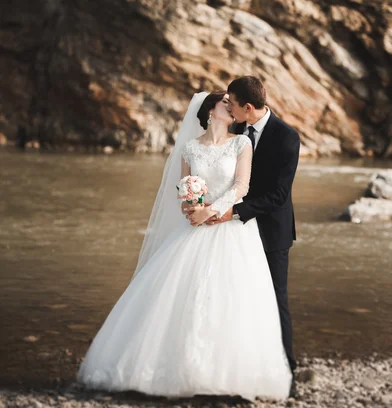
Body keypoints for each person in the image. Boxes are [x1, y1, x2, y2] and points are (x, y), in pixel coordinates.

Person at [77, 91, 292, 400]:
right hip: (194, 227)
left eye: (232, 103)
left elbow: (241, 186)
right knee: (177, 294)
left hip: (230, 227)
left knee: (231, 297)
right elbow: (185, 188)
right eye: (225, 103)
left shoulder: (241, 143)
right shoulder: (190, 148)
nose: (231, 107)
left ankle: (224, 375)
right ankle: (166, 369)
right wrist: (191, 208)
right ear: (209, 111)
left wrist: (213, 211)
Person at [200, 77, 300, 397]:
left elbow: (279, 196)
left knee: (275, 298)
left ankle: (288, 369)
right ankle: (237, 363)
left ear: (248, 107)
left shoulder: (286, 138)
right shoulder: (237, 130)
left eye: (232, 102)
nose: (227, 106)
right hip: (234, 233)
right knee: (238, 296)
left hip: (270, 230)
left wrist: (235, 211)